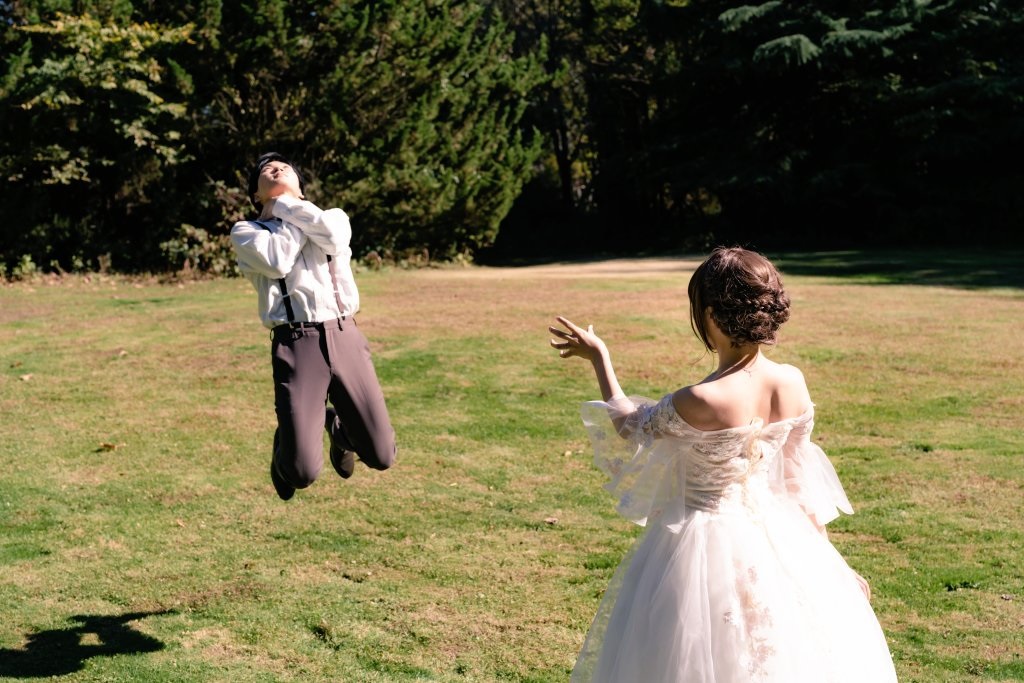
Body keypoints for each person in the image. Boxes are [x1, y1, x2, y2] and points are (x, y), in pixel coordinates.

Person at [549, 247, 897, 682]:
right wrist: (831, 561)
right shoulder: (791, 382)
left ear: (710, 314)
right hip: (781, 535)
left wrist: (600, 357)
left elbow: (628, 425)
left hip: (699, 543)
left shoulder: (700, 400)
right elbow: (798, 482)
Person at [231, 152, 396, 500]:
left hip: (345, 334)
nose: (276, 170)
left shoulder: (333, 217)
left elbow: (333, 240)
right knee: (302, 473)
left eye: (284, 168)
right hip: (296, 343)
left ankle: (339, 431)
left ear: (302, 188)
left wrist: (287, 206)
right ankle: (285, 448)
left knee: (382, 456)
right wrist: (285, 209)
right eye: (266, 171)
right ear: (255, 197)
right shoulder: (247, 232)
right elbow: (278, 261)